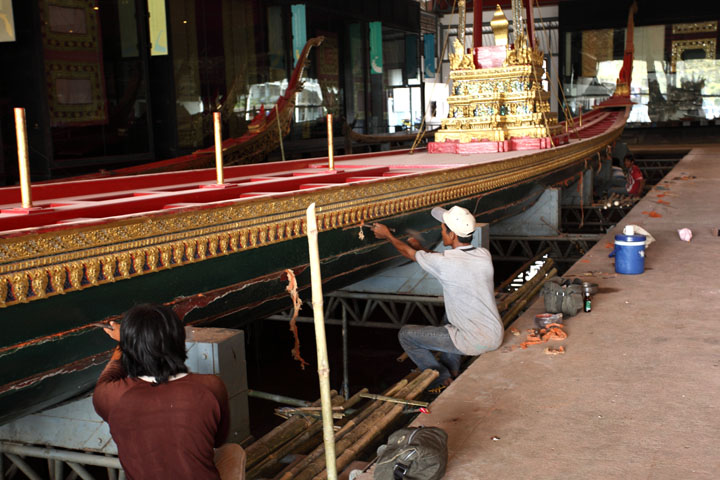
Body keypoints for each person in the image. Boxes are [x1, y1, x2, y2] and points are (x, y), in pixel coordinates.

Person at [93, 304, 245, 480]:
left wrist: (125, 341)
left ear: (129, 347)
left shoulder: (112, 396)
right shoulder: (210, 387)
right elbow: (218, 440)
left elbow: (108, 377)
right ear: (180, 340)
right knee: (233, 451)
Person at [371, 206, 503, 393]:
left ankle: (441, 378)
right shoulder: (483, 255)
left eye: (442, 229)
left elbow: (408, 254)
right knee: (449, 318)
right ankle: (453, 369)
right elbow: (440, 261)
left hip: (476, 342)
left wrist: (387, 236)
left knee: (406, 335)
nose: (441, 232)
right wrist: (421, 249)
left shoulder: (444, 263)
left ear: (452, 235)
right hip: (495, 334)